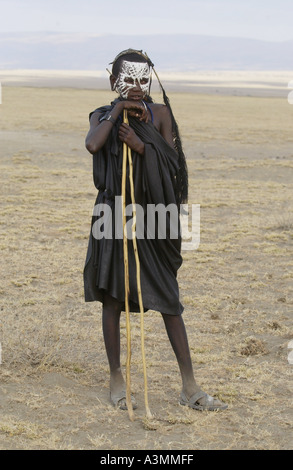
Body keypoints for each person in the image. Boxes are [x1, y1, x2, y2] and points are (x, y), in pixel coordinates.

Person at [83, 49, 227, 412]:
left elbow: (175, 167)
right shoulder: (102, 116)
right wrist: (117, 114)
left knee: (169, 299)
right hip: (113, 216)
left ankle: (190, 386)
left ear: (151, 79)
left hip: (152, 216)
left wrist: (142, 146)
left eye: (142, 79)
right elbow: (92, 144)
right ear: (113, 81)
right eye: (127, 80)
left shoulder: (161, 115)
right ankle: (117, 379)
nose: (135, 87)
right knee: (113, 298)